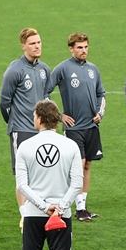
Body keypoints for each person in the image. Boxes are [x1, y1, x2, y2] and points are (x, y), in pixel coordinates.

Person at [15, 100, 84, 250]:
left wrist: (44, 207)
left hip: (34, 215)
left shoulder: (24, 146)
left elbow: (22, 186)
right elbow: (77, 184)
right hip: (61, 217)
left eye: (35, 116)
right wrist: (59, 206)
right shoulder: (71, 146)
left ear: (40, 119)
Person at [46, 32, 106, 222]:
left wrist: (100, 113)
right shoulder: (62, 69)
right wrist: (60, 116)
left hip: (91, 126)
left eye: (86, 47)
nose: (84, 50)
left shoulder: (93, 70)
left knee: (87, 165)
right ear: (71, 48)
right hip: (73, 129)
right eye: (80, 47)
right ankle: (67, 206)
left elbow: (101, 94)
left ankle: (82, 207)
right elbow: (45, 93)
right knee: (78, 166)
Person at [0, 28, 51, 213]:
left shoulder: (44, 69)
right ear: (23, 46)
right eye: (32, 43)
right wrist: (14, 123)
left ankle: (39, 205)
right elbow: (4, 101)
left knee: (41, 168)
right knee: (23, 173)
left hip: (41, 129)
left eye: (38, 42)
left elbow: (46, 96)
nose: (37, 46)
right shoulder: (15, 70)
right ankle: (24, 214)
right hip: (21, 129)